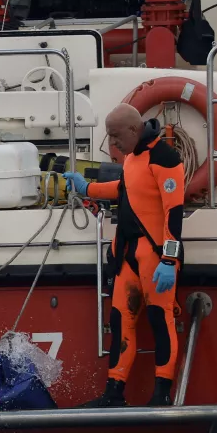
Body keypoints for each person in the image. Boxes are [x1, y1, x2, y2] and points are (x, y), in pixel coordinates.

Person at [64, 103, 184, 408]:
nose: (113, 143)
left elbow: (174, 212)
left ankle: (162, 394)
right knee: (120, 321)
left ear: (133, 129)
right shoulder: (132, 158)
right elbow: (125, 188)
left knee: (160, 320)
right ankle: (114, 393)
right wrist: (87, 187)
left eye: (116, 135)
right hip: (128, 254)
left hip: (155, 256)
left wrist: (169, 260)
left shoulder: (165, 159)